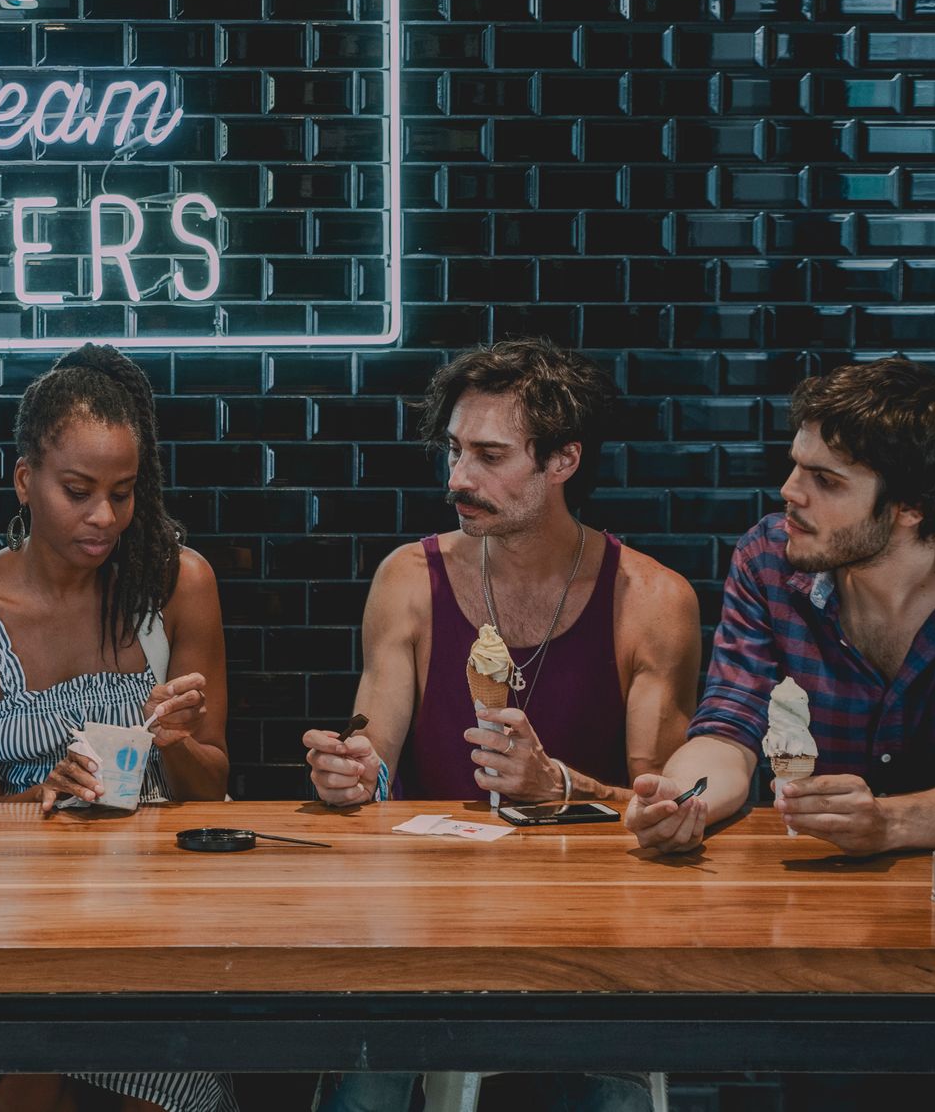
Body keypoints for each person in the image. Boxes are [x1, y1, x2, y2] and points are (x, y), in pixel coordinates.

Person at [300, 338, 700, 1112]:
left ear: (562, 461)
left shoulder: (652, 599)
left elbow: (665, 808)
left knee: (615, 1077)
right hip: (425, 914)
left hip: (591, 923)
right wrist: (348, 773)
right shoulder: (408, 578)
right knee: (361, 1079)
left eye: (489, 455)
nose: (458, 479)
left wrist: (559, 786)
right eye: (454, 450)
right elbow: (373, 757)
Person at [0, 342, 231, 1112]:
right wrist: (37, 794)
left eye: (123, 493)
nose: (105, 518)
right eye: (79, 490)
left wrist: (178, 742)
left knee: (169, 1094)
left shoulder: (176, 583)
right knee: (20, 1084)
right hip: (13, 930)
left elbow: (215, 791)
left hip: (153, 924)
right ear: (25, 480)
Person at [626, 355, 935, 860]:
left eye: (827, 480)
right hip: (812, 876)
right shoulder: (767, 560)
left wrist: (889, 822)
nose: (789, 491)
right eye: (796, 464)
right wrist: (683, 799)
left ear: (912, 507)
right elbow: (731, 729)